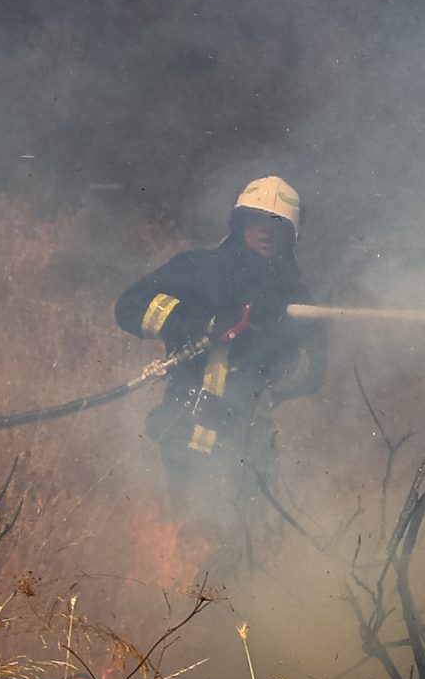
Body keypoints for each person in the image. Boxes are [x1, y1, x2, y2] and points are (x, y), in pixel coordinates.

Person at [114, 176, 327, 554]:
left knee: (240, 551)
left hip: (251, 446)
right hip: (186, 431)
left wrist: (277, 343)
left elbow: (312, 373)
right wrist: (202, 321)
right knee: (189, 544)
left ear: (290, 236)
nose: (266, 230)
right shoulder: (199, 267)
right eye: (257, 219)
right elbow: (130, 307)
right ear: (240, 222)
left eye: (278, 224)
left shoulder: (295, 298)